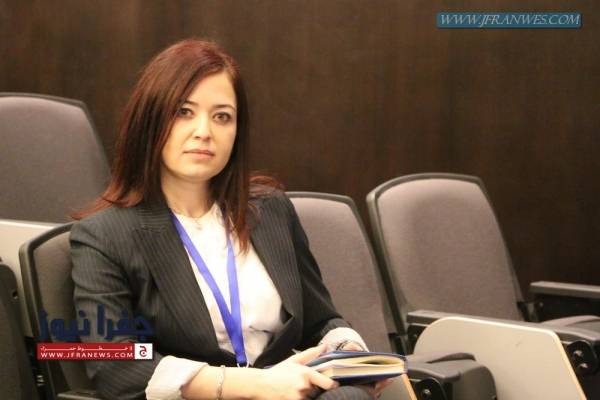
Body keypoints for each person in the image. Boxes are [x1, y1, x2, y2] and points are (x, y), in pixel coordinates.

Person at [71, 38, 392, 400]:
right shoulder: (103, 235)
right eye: (183, 112)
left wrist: (348, 350)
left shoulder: (269, 210)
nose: (204, 131)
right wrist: (256, 384)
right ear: (151, 120)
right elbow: (114, 365)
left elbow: (320, 319)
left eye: (222, 116)